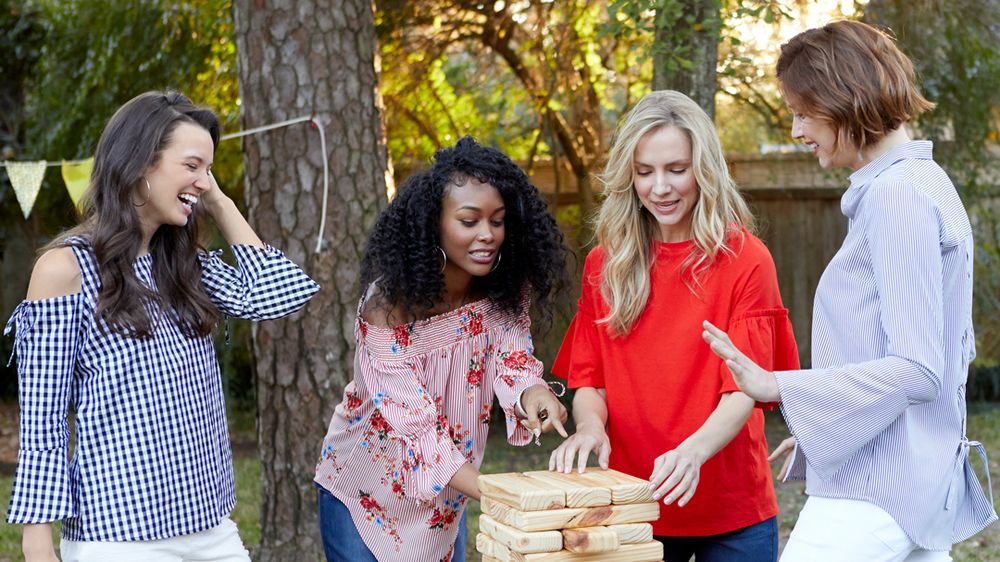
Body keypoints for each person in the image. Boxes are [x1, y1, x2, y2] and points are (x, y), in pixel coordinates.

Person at [702, 20, 997, 561]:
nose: (796, 130)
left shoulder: (898, 197)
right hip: (908, 482)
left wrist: (776, 385)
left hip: (879, 490)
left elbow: (919, 368)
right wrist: (829, 427)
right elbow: (897, 353)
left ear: (843, 99)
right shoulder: (918, 183)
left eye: (802, 112)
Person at [5, 90, 320, 562]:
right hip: (117, 536)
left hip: (210, 528)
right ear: (139, 164)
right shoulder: (65, 269)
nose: (203, 181)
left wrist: (219, 202)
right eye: (192, 165)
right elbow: (43, 422)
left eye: (209, 170)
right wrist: (38, 547)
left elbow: (280, 294)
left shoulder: (185, 264)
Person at [548, 90, 799, 562]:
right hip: (633, 504)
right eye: (645, 172)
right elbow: (590, 380)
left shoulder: (747, 259)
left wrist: (692, 452)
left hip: (733, 512)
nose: (660, 187)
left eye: (676, 169)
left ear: (704, 170)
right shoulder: (606, 263)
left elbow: (744, 390)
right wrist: (589, 427)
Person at [314, 136, 570, 562]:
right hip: (365, 493)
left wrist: (534, 394)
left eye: (498, 221)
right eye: (469, 221)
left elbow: (514, 363)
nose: (487, 235)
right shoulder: (388, 307)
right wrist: (503, 492)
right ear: (434, 224)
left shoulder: (503, 292)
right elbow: (418, 432)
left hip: (447, 495)